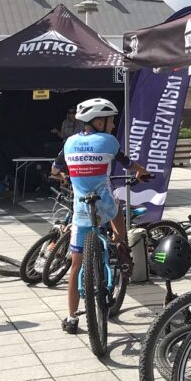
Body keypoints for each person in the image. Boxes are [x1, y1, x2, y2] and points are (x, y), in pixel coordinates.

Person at [54, 98, 150, 335]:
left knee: (76, 266)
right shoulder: (108, 141)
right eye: (110, 119)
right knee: (116, 208)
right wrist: (142, 172)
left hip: (81, 211)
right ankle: (123, 252)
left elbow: (55, 171)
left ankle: (71, 318)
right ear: (98, 121)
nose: (113, 123)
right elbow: (128, 164)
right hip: (104, 205)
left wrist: (66, 177)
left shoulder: (68, 143)